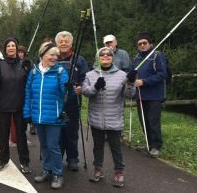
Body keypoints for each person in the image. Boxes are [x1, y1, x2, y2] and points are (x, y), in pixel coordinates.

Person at [82, 47, 136, 188]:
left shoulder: (122, 75)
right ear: (97, 58)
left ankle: (119, 172)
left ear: (112, 57)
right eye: (102, 54)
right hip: (96, 118)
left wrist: (130, 82)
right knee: (97, 147)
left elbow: (129, 94)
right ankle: (98, 169)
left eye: (108, 54)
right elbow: (86, 92)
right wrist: (96, 87)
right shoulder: (90, 75)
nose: (105, 56)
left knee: (115, 147)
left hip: (114, 118)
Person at [23, 41, 69, 189]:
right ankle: (46, 169)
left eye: (56, 55)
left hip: (54, 117)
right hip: (38, 116)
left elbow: (65, 94)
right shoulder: (34, 72)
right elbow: (28, 93)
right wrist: (27, 113)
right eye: (51, 54)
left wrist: (67, 87)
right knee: (44, 146)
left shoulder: (61, 72)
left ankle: (57, 174)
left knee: (53, 146)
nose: (55, 57)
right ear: (43, 55)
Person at [0, 38, 31, 174]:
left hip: (20, 106)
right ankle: (3, 160)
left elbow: (28, 85)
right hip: (3, 106)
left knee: (21, 135)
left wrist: (29, 69)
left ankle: (25, 162)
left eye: (13, 45)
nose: (11, 48)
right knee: (4, 135)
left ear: (17, 48)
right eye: (9, 46)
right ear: (5, 49)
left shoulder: (24, 64)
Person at [55, 31, 89, 171]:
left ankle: (73, 159)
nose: (63, 43)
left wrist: (81, 87)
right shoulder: (52, 58)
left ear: (71, 43)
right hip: (55, 102)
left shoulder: (79, 60)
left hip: (73, 102)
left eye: (66, 41)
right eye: (61, 41)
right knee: (57, 132)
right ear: (57, 43)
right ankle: (57, 159)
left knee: (71, 132)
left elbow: (86, 78)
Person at [131, 31, 167, 158]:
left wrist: (144, 81)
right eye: (139, 44)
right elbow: (133, 73)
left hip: (154, 95)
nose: (142, 45)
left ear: (149, 43)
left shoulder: (157, 56)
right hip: (141, 95)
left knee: (153, 120)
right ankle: (148, 143)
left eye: (144, 43)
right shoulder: (137, 58)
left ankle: (156, 146)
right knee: (144, 121)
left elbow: (162, 74)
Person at [17, 45, 36, 135]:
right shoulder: (15, 62)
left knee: (30, 106)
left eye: (22, 52)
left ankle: (32, 125)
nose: (20, 54)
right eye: (19, 52)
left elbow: (33, 74)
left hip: (28, 87)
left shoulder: (29, 62)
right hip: (18, 88)